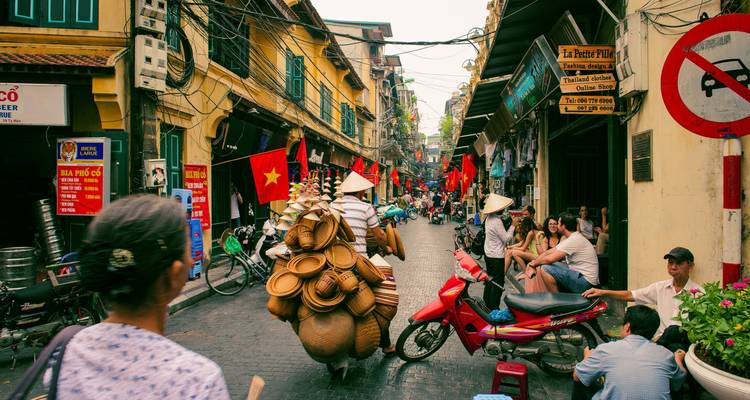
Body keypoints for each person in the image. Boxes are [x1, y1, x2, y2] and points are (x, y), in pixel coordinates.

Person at [64, 195, 230, 399]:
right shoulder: (198, 380)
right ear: (174, 274)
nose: (193, 258)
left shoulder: (69, 351)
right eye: (188, 250)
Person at [583, 247, 702, 349]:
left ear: (690, 266)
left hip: (680, 345)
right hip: (657, 343)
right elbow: (631, 295)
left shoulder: (699, 294)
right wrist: (603, 292)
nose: (673, 267)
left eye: (679, 263)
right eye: (670, 263)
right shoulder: (660, 287)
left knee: (674, 330)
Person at [573, 305, 686, 400]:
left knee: (581, 379)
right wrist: (678, 359)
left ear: (627, 327)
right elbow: (678, 382)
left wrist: (587, 358)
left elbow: (577, 377)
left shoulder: (606, 350)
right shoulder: (665, 355)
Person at [339, 172, 393, 354]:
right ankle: (386, 345)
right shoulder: (366, 207)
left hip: (335, 262)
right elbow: (378, 235)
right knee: (382, 301)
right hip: (359, 262)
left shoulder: (332, 206)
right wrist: (385, 248)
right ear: (360, 192)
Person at [528, 212, 599, 293]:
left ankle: (557, 300)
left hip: (586, 283)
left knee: (545, 268)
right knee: (545, 264)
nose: (557, 225)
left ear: (563, 226)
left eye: (558, 223)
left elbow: (549, 259)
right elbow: (547, 253)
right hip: (580, 276)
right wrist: (534, 264)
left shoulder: (573, 240)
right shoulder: (572, 238)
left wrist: (533, 264)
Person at [482, 194, 516, 309]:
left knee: (490, 280)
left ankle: (487, 304)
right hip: (496, 256)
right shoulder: (496, 221)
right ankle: (494, 307)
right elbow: (506, 238)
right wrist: (513, 226)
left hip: (488, 253)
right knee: (498, 283)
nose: (503, 210)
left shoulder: (488, 218)